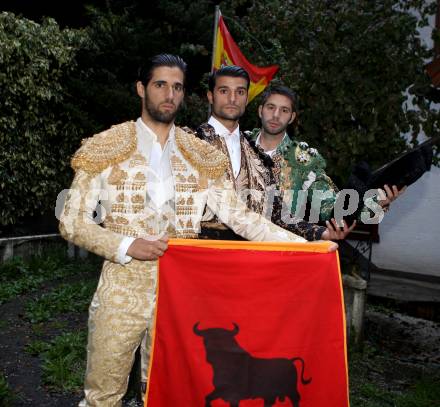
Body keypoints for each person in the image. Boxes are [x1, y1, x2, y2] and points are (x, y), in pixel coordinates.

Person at [59, 54, 324, 407]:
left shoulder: (199, 155)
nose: (169, 94)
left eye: (177, 87)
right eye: (160, 85)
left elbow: (242, 217)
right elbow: (72, 221)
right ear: (141, 88)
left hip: (180, 295)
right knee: (102, 395)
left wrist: (306, 247)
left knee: (169, 394)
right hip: (121, 289)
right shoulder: (107, 146)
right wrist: (126, 244)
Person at [195, 66, 353, 241]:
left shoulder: (257, 155)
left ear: (247, 98)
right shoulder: (190, 143)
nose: (232, 98)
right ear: (210, 96)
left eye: (239, 92)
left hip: (255, 256)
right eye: (224, 91)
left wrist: (321, 233)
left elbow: (276, 214)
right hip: (201, 254)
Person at [250, 85, 404, 224]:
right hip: (230, 244)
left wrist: (376, 203)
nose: (276, 115)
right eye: (271, 107)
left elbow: (331, 205)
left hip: (279, 248)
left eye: (284, 110)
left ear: (292, 118)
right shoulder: (236, 144)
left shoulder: (303, 160)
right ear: (260, 110)